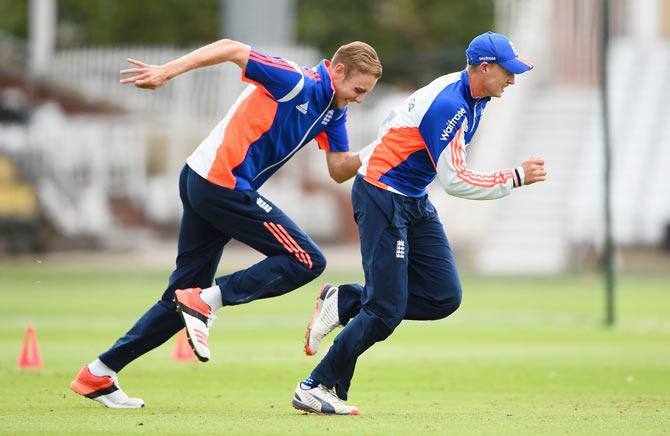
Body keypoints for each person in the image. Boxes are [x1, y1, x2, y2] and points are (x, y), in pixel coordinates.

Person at [69, 38, 382, 408]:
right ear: (338, 70)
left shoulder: (334, 109)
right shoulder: (294, 79)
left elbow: (338, 170)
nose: (360, 98)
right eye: (358, 89)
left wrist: (379, 148)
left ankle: (100, 373)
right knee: (306, 260)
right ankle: (208, 301)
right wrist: (166, 72)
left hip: (204, 181)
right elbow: (232, 48)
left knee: (182, 297)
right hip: (221, 183)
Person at [292, 31, 547, 415]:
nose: (512, 79)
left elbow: (402, 129)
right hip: (383, 195)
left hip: (411, 197)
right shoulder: (451, 104)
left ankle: (344, 300)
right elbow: (456, 180)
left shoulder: (473, 95)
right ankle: (316, 386)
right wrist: (513, 177)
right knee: (384, 311)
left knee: (443, 296)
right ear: (483, 68)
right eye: (507, 72)